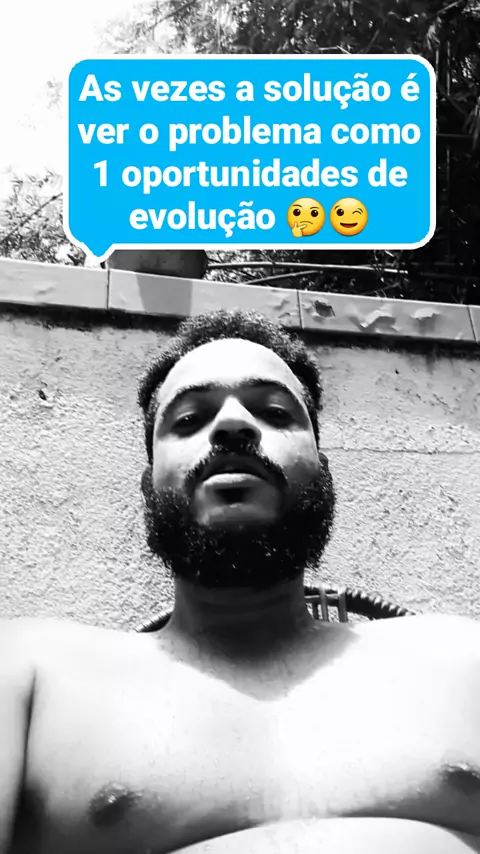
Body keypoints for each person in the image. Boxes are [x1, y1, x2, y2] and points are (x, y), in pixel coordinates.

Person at [3, 308, 480, 854]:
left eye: (274, 412)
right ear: (148, 485)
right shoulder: (30, 674)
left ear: (323, 472)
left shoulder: (463, 656)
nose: (233, 424)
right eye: (188, 420)